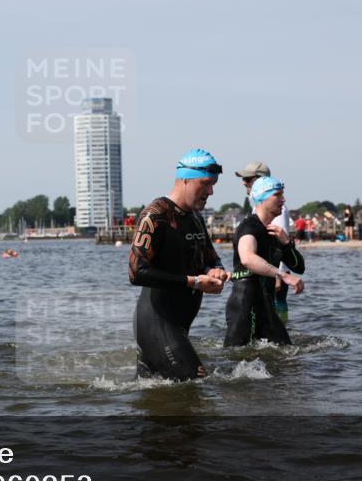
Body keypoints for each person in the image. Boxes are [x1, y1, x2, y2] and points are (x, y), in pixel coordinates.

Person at [129, 149, 229, 381]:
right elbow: (136, 272)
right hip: (157, 321)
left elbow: (210, 257)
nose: (211, 191)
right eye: (206, 183)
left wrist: (215, 270)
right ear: (185, 179)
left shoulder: (195, 217)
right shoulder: (155, 215)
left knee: (152, 399)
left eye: (214, 185)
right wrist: (194, 281)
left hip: (178, 324)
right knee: (196, 382)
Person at [224, 176, 305, 347]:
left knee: (286, 354)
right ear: (262, 198)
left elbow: (299, 267)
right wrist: (282, 275)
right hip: (246, 300)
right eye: (278, 195)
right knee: (235, 358)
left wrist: (287, 243)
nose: (283, 199)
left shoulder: (273, 232)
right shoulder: (249, 227)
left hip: (265, 303)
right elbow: (247, 258)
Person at [235, 161, 293, 324]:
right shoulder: (259, 207)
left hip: (275, 274)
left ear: (260, 180)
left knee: (274, 318)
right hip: (269, 273)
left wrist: (278, 276)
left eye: (247, 179)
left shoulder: (275, 207)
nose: (243, 182)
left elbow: (278, 241)